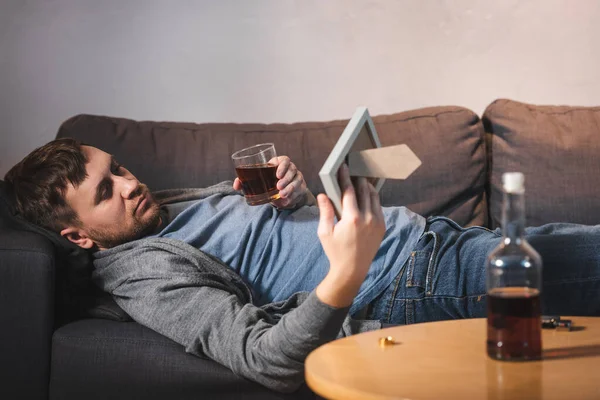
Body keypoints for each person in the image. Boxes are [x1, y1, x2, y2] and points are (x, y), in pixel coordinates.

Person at [4, 138, 600, 392]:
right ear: (76, 236)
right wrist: (346, 273)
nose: (130, 185)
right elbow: (265, 360)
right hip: (415, 282)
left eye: (120, 169)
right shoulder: (140, 275)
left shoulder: (164, 207)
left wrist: (285, 190)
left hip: (439, 242)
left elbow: (259, 223)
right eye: (106, 191)